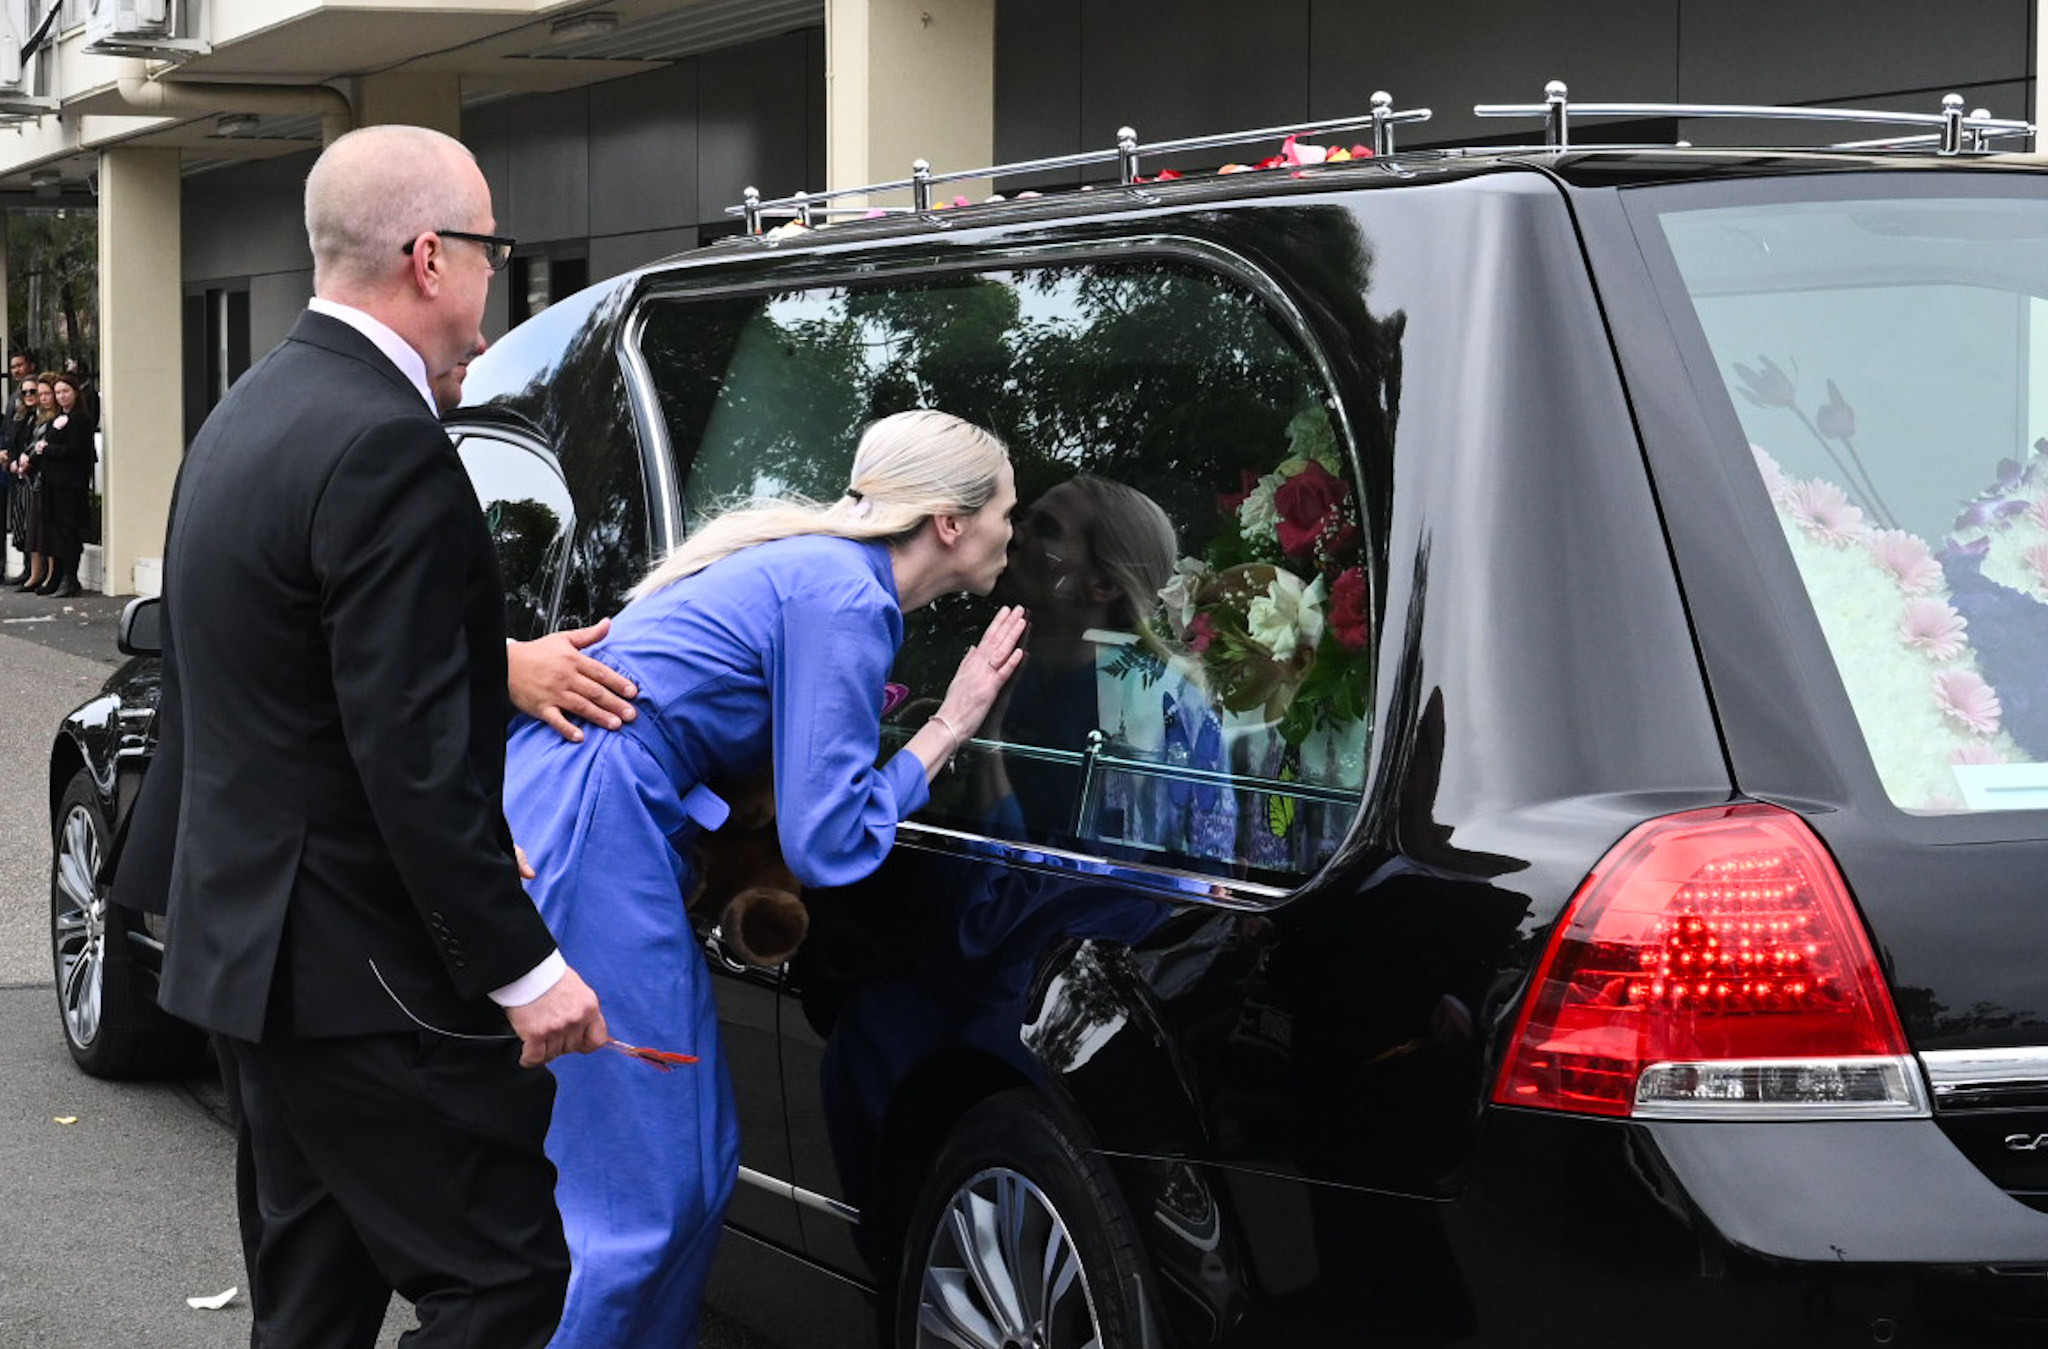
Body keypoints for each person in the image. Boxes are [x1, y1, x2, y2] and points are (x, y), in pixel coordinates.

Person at [149, 124, 607, 1349]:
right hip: (367, 974)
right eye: (491, 247)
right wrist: (525, 967)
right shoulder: (385, 441)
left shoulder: (247, 411)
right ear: (429, 256)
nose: (494, 278)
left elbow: (266, 688)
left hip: (257, 957)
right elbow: (405, 751)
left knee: (313, 1304)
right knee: (501, 1279)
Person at [501, 407, 1026, 1348]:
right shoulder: (848, 595)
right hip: (594, 826)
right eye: (1007, 512)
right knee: (644, 1195)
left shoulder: (820, 571)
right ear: (951, 522)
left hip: (596, 815)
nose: (1012, 533)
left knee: (692, 1168)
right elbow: (829, 841)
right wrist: (950, 725)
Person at [27, 370, 96, 597]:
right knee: (55, 530)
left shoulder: (81, 419)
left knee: (69, 530)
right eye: (58, 392)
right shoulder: (56, 420)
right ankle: (55, 577)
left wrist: (48, 449)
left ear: (75, 392)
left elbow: (74, 450)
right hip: (52, 482)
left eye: (65, 391)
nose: (61, 396)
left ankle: (70, 577)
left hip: (70, 484)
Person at [11, 374, 55, 593]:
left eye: (34, 391)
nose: (30, 396)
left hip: (41, 476)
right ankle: (32, 571)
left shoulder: (50, 419)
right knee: (29, 527)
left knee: (39, 528)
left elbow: (40, 444)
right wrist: (16, 459)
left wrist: (29, 459)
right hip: (26, 476)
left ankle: (44, 574)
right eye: (25, 392)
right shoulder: (27, 417)